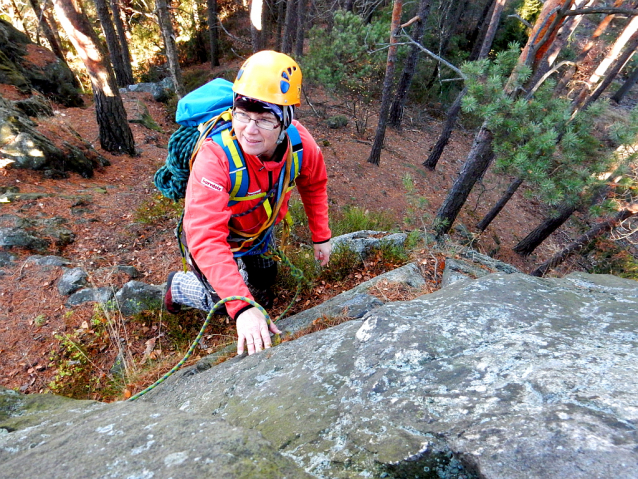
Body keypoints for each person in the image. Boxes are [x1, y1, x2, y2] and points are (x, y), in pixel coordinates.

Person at [164, 51, 332, 356]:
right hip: (218, 240)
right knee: (222, 301)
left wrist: (321, 235)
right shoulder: (215, 157)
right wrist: (241, 308)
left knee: (266, 279)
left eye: (265, 119)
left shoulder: (301, 145)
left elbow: (314, 183)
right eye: (242, 115)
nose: (249, 130)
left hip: (259, 229)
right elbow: (206, 237)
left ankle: (253, 295)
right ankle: (177, 287)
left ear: (286, 122)